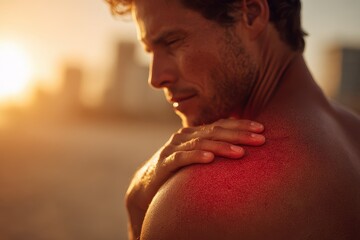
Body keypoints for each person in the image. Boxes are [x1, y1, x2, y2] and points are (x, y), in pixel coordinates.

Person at [106, 0, 360, 239]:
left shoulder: (195, 205)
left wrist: (138, 209)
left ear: (251, 14)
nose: (156, 77)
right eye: (151, 51)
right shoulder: (353, 132)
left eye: (172, 41)